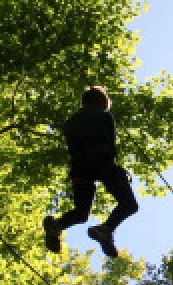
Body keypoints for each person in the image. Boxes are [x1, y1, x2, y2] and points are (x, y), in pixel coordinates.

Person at [44, 85, 138, 258]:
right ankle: (106, 229)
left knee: (81, 213)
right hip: (101, 162)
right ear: (99, 102)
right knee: (129, 204)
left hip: (80, 167)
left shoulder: (70, 123)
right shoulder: (104, 116)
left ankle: (56, 226)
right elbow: (109, 144)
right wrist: (117, 172)